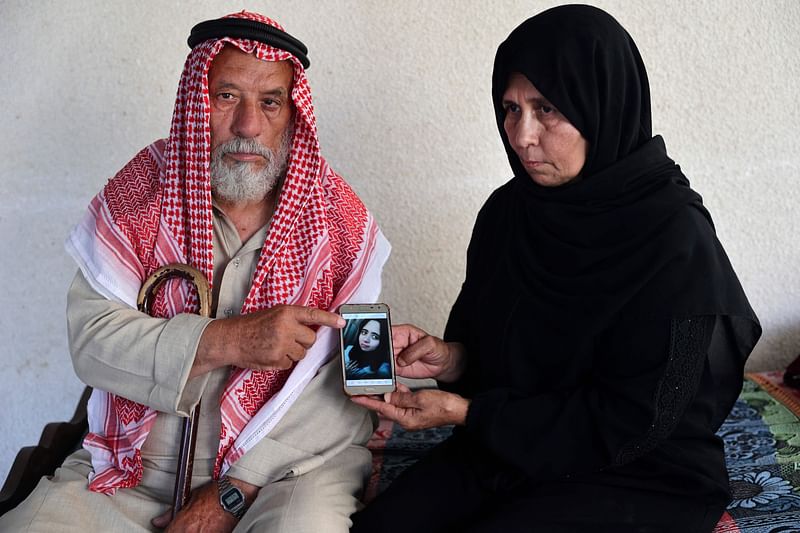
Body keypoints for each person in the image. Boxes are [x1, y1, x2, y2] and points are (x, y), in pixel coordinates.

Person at [350, 5, 760, 533]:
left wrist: (467, 414)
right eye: (510, 108)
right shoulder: (508, 214)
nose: (522, 136)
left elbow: (638, 420)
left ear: (602, 105)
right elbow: (500, 360)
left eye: (547, 109)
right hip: (508, 447)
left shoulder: (674, 240)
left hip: (634, 469)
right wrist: (449, 360)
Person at [0, 10, 390, 533]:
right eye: (227, 97)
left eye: (270, 102)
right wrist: (225, 341)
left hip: (285, 473)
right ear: (195, 102)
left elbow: (362, 381)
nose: (249, 125)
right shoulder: (139, 196)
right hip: (137, 471)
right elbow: (91, 342)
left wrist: (235, 489)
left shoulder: (342, 220)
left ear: (292, 114)